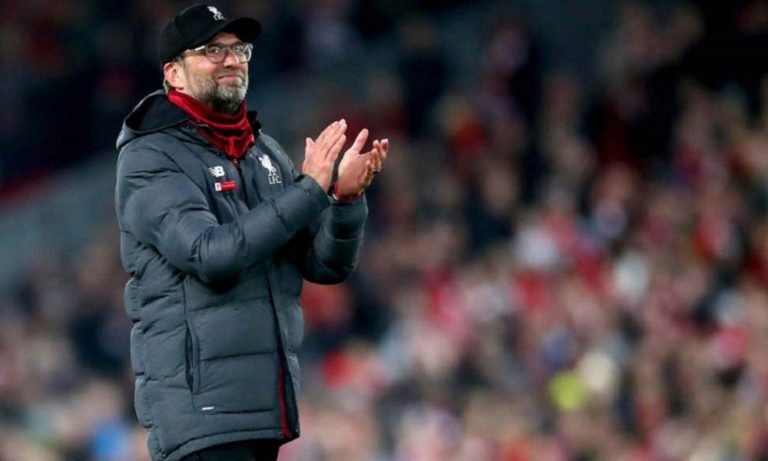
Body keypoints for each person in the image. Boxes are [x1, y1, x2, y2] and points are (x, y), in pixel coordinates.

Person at [114, 4, 388, 461]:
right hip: (202, 417)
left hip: (262, 411)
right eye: (212, 51)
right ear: (174, 73)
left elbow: (323, 264)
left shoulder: (262, 151)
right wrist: (309, 189)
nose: (231, 60)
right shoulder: (150, 156)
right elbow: (211, 255)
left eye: (239, 49)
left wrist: (344, 199)